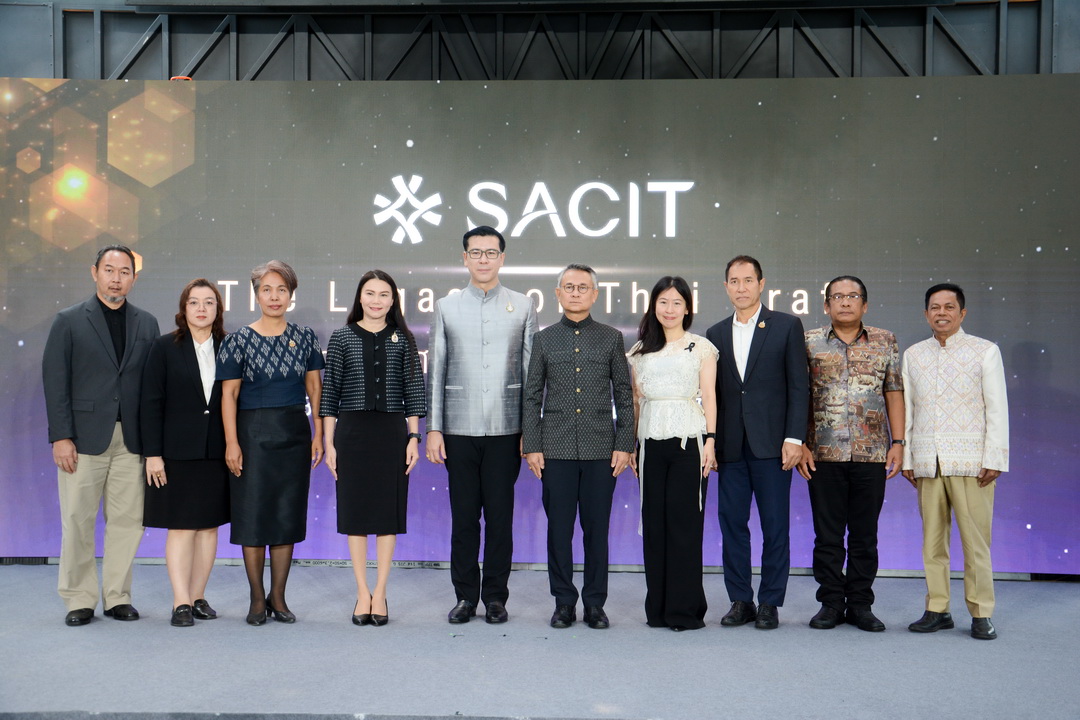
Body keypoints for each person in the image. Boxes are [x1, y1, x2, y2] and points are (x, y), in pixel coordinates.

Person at [43, 245, 160, 626]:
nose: (116, 278)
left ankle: (117, 596)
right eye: (109, 270)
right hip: (83, 439)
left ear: (134, 278)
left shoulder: (147, 323)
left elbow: (152, 387)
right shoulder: (68, 320)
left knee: (128, 521)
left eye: (124, 272)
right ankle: (79, 598)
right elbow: (55, 382)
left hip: (132, 441)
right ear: (94, 272)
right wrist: (61, 436)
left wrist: (153, 444)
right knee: (77, 519)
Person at [426, 226, 538, 624]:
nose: (484, 259)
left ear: (502, 258)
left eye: (491, 252)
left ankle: (495, 597)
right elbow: (436, 369)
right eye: (476, 252)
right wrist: (434, 428)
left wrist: (530, 430)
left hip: (507, 429)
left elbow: (531, 373)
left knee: (500, 518)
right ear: (465, 258)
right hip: (458, 428)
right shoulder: (446, 306)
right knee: (464, 518)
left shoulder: (523, 305)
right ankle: (464, 597)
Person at [522, 264, 634, 630]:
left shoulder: (611, 338)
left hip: (602, 449)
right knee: (559, 531)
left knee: (596, 531)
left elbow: (624, 394)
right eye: (568, 287)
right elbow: (532, 395)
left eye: (582, 287)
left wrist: (625, 443)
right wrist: (532, 445)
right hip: (554, 450)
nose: (575, 293)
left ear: (594, 294)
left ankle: (595, 604)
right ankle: (564, 603)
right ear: (557, 293)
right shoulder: (544, 339)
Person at [218, 260, 324, 625]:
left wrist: (319, 433)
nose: (274, 296)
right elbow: (229, 396)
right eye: (267, 289)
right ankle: (256, 598)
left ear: (291, 295)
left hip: (294, 434)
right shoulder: (237, 341)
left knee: (285, 515)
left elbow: (315, 388)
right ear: (256, 295)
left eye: (281, 289)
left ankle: (278, 597)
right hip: (251, 436)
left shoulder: (305, 337)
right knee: (253, 516)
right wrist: (231, 443)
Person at [705, 255, 808, 630]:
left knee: (775, 526)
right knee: (732, 525)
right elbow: (714, 394)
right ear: (726, 287)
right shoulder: (715, 333)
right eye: (734, 281)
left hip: (773, 446)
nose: (741, 288)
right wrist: (711, 442)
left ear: (762, 284)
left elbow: (799, 386)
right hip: (731, 447)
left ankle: (769, 603)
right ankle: (740, 600)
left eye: (748, 280)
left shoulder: (786, 326)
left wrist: (794, 437)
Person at [796, 276, 904, 632]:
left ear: (865, 304)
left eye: (853, 296)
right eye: (838, 297)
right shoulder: (808, 341)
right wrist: (800, 443)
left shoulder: (885, 340)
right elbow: (798, 394)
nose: (845, 302)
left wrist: (899, 443)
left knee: (864, 535)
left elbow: (893, 392)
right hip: (822, 453)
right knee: (827, 536)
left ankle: (860, 605)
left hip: (871, 454)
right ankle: (830, 603)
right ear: (826, 305)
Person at [902, 283, 1008, 640]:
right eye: (935, 307)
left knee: (976, 543)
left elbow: (997, 408)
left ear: (962, 313)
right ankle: (937, 609)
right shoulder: (914, 355)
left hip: (972, 462)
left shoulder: (984, 351)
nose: (942, 313)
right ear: (926, 314)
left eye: (949, 307)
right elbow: (909, 410)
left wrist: (995, 457)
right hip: (928, 461)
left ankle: (981, 612)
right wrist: (908, 456)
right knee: (932, 542)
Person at [321, 270, 426, 627]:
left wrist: (414, 438)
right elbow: (330, 394)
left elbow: (414, 390)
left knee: (386, 516)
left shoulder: (404, 338)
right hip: (351, 434)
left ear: (393, 300)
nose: (376, 300)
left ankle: (380, 592)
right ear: (360, 297)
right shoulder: (342, 337)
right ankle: (362, 591)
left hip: (391, 434)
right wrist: (329, 443)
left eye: (384, 295)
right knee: (355, 515)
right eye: (370, 293)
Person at [627, 276, 717, 631]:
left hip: (689, 442)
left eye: (677, 302)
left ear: (687, 308)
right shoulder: (639, 351)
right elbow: (636, 401)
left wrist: (711, 441)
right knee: (655, 526)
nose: (669, 309)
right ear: (654, 306)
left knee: (684, 526)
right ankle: (659, 610)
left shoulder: (701, 347)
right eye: (663, 302)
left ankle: (684, 611)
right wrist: (631, 445)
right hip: (650, 444)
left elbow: (709, 397)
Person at [140, 279, 231, 627]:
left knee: (208, 528)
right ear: (184, 308)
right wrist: (153, 454)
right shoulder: (164, 347)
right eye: (194, 302)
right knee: (181, 527)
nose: (202, 308)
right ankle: (180, 602)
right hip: (176, 452)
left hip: (216, 451)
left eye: (209, 302)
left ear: (218, 309)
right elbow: (151, 403)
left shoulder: (230, 347)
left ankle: (197, 596)